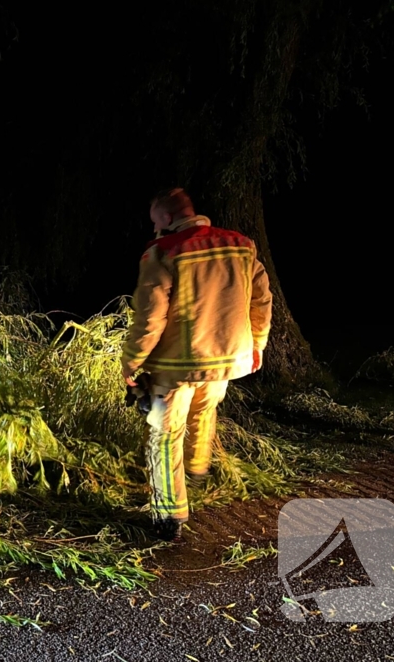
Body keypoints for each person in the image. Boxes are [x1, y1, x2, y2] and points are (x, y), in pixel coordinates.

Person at [122, 188, 272, 542]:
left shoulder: (162, 252)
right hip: (225, 359)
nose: (153, 226)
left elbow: (150, 316)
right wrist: (256, 346)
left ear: (167, 218)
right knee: (205, 410)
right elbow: (261, 300)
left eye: (154, 220)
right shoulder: (242, 245)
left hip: (178, 363)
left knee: (164, 434)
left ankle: (168, 514)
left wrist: (132, 361)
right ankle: (198, 467)